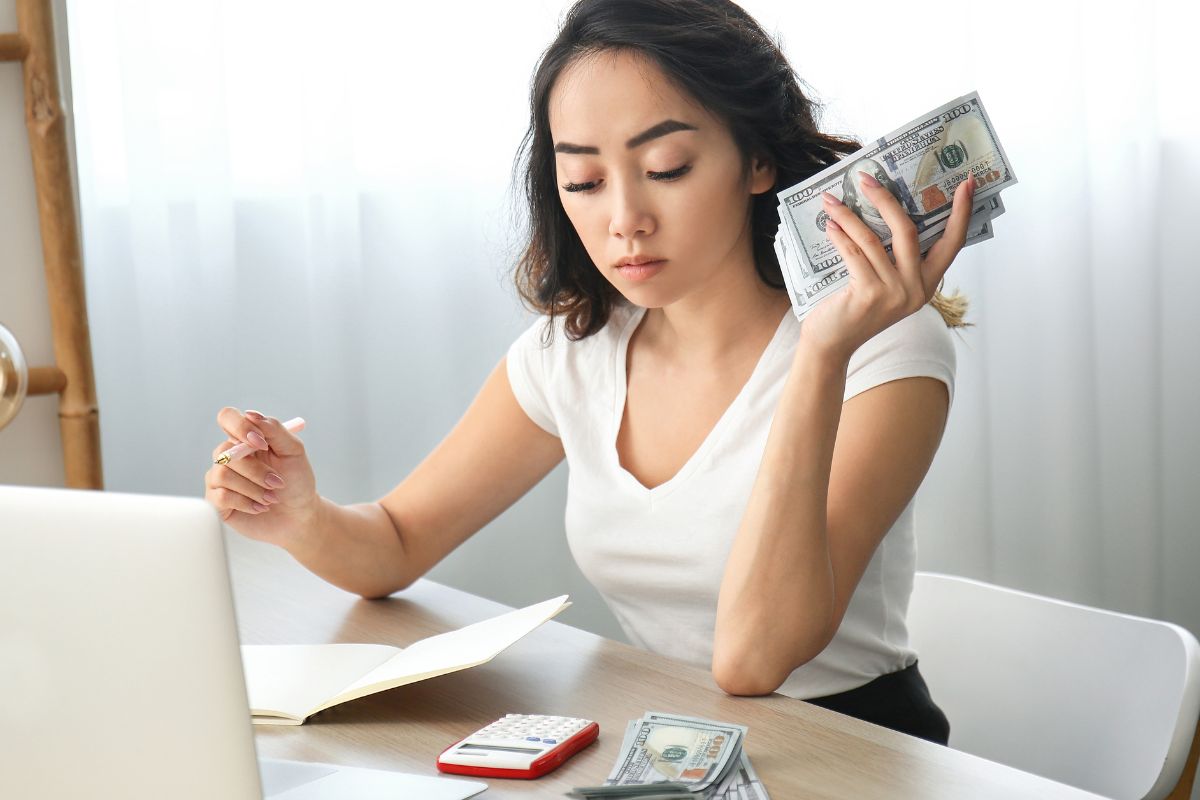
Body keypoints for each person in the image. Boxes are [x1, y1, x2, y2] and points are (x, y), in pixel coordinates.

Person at [204, 0, 976, 746]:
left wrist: (820, 353)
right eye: (584, 181)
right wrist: (301, 513)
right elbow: (398, 541)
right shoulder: (574, 351)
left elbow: (752, 661)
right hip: (679, 741)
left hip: (851, 752)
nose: (624, 218)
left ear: (757, 159)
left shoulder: (885, 351)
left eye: (666, 167)